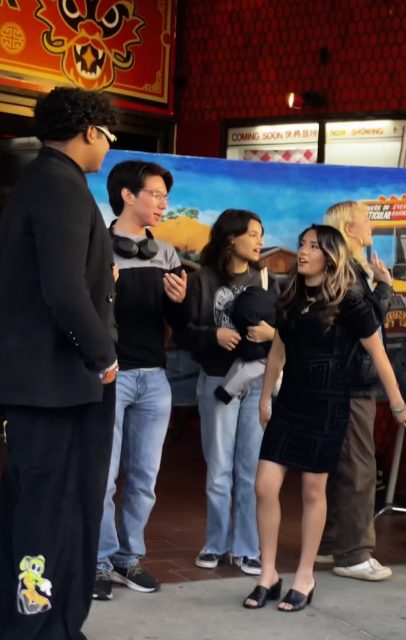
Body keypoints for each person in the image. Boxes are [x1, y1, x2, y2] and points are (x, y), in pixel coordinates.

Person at [0, 87, 119, 639]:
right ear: (90, 130)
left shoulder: (40, 181)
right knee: (50, 515)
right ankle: (40, 626)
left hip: (41, 386)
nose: (107, 148)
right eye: (108, 136)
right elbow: (64, 292)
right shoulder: (61, 186)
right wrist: (104, 355)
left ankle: (35, 621)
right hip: (57, 386)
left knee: (34, 511)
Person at [243, 225, 406, 612]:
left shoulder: (350, 301)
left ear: (330, 256)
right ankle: (267, 573)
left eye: (313, 247)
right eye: (302, 245)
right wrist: (266, 397)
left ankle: (304, 575)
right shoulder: (290, 298)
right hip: (290, 403)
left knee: (312, 492)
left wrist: (398, 402)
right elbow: (277, 354)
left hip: (327, 403)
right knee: (265, 486)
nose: (303, 252)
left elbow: (379, 354)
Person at [93, 160, 188, 601]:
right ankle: (95, 561)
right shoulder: (95, 249)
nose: (163, 204)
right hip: (110, 376)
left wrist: (180, 304)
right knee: (103, 477)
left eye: (165, 196)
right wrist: (103, 291)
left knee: (144, 478)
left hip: (154, 379)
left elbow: (178, 326)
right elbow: (82, 317)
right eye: (155, 194)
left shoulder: (165, 253)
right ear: (128, 195)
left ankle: (128, 558)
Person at [175, 209, 278, 576]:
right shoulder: (202, 280)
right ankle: (216, 543)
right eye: (253, 234)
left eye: (261, 234)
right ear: (231, 238)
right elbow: (184, 334)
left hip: (257, 383)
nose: (259, 242)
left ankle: (247, 547)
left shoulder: (267, 280)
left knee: (250, 469)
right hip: (218, 381)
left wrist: (271, 336)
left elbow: (286, 331)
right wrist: (213, 336)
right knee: (218, 468)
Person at [318, 201, 395, 581]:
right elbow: (366, 325)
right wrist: (385, 289)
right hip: (351, 383)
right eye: (366, 221)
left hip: (342, 381)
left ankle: (332, 542)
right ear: (349, 230)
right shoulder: (349, 273)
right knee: (358, 467)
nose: (371, 227)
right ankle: (353, 553)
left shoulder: (344, 271)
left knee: (341, 466)